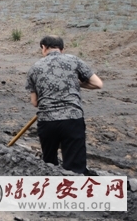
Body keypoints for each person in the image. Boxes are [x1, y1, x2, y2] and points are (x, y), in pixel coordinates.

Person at [25, 36, 103, 174]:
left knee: (49, 165)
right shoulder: (73, 60)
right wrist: (76, 83)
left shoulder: (34, 68)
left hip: (47, 121)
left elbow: (35, 102)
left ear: (43, 47)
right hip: (72, 119)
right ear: (62, 49)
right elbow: (98, 84)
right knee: (75, 168)